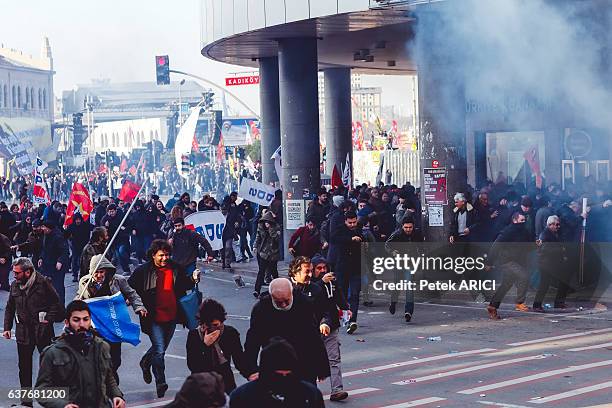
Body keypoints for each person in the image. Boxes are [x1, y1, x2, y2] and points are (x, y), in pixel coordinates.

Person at [128, 239, 201, 397]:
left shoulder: (175, 268)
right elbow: (129, 288)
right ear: (153, 255)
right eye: (161, 255)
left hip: (172, 316)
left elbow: (185, 284)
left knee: (159, 349)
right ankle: (160, 382)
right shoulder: (143, 271)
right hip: (153, 317)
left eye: (167, 255)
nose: (164, 258)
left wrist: (194, 278)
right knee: (160, 350)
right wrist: (134, 303)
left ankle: (146, 361)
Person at [35, 300, 125, 408]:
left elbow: (109, 377)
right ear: (67, 322)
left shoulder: (102, 346)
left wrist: (116, 395)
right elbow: (41, 390)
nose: (81, 324)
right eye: (76, 320)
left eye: (85, 319)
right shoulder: (53, 353)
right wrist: (63, 405)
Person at [244, 278, 330, 384]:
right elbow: (253, 340)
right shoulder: (261, 309)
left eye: (287, 300)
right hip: (273, 362)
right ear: (271, 297)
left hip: (303, 360)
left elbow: (313, 337)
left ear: (291, 293)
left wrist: (322, 367)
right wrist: (250, 369)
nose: (284, 305)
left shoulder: (304, 304)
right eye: (279, 302)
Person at [3, 258, 63, 407]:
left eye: (17, 273)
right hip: (23, 332)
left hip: (42, 331)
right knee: (24, 368)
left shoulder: (43, 283)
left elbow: (56, 303)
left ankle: (50, 401)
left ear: (28, 272)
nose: (14, 276)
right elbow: (10, 307)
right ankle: (26, 402)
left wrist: (47, 320)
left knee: (48, 366)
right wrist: (7, 328)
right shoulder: (15, 285)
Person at [78, 254, 148, 384]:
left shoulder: (118, 280)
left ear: (106, 270)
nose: (99, 275)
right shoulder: (84, 281)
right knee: (98, 356)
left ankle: (110, 375)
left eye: (101, 271)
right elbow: (80, 299)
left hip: (114, 325)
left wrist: (139, 307)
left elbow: (132, 294)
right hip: (96, 326)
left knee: (115, 359)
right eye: (96, 272)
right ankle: (110, 384)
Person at [230, 337, 325, 408]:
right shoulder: (243, 397)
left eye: (288, 375)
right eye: (278, 375)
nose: (284, 379)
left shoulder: (310, 394)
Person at [186, 298, 248, 393]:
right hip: (201, 383)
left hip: (225, 381)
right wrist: (205, 346)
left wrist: (250, 373)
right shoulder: (194, 336)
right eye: (211, 325)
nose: (216, 328)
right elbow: (193, 365)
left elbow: (239, 359)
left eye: (218, 324)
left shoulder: (230, 333)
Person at [310, 255, 350, 402]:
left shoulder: (331, 281)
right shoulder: (311, 284)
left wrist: (346, 308)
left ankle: (337, 390)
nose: (322, 271)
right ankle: (312, 391)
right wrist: (321, 282)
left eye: (324, 268)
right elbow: (312, 298)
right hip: (313, 327)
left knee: (334, 358)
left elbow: (338, 296)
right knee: (312, 359)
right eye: (318, 268)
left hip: (331, 325)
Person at [486, 212, 534, 319]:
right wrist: (489, 262)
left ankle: (492, 306)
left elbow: (528, 246)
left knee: (506, 285)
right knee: (524, 276)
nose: (523, 222)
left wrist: (536, 244)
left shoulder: (524, 231)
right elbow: (496, 246)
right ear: (515, 220)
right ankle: (519, 303)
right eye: (521, 220)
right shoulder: (508, 231)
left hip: (517, 261)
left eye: (524, 220)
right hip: (507, 261)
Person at [385, 216, 424, 322]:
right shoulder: (397, 234)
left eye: (410, 227)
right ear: (402, 226)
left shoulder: (417, 234)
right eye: (406, 227)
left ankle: (408, 311)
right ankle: (393, 302)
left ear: (413, 226)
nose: (408, 230)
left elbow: (422, 248)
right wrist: (393, 252)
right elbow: (387, 245)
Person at [330, 211, 363, 334]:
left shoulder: (359, 229)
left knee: (354, 294)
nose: (352, 225)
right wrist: (350, 239)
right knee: (342, 294)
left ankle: (352, 320)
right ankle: (343, 317)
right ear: (345, 221)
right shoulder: (339, 229)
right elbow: (334, 239)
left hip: (356, 267)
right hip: (342, 267)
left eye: (354, 222)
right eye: (350, 223)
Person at [533, 215, 571, 311]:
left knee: (563, 281)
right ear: (550, 225)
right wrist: (560, 249)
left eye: (559, 224)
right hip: (546, 264)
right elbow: (545, 249)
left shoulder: (555, 233)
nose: (558, 227)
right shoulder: (545, 234)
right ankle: (537, 305)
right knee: (544, 284)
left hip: (554, 263)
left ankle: (558, 302)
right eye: (556, 225)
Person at [39, 219, 70, 304]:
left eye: (43, 227)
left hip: (57, 266)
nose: (42, 229)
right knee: (48, 287)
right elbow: (44, 249)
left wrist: (60, 261)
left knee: (58, 287)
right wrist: (41, 258)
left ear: (49, 228)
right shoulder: (46, 235)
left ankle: (61, 307)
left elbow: (65, 251)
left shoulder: (58, 237)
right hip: (47, 265)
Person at [253, 210, 281, 297]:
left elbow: (276, 238)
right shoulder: (260, 226)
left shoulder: (276, 227)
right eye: (265, 222)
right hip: (263, 252)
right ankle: (257, 290)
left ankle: (279, 288)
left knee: (274, 271)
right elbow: (258, 236)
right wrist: (255, 246)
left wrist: (271, 229)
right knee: (261, 271)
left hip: (273, 253)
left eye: (267, 222)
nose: (266, 224)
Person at [102, 203, 132, 273]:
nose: (111, 213)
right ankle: (126, 269)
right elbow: (102, 228)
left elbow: (129, 225)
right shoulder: (105, 218)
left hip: (122, 239)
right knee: (118, 256)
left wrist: (125, 228)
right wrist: (106, 226)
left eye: (112, 211)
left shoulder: (122, 216)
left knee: (122, 252)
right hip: (113, 241)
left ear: (115, 211)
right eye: (109, 212)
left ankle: (128, 263)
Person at [65, 212, 93, 282]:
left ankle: (83, 274)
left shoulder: (85, 225)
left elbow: (93, 228)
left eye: (79, 219)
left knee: (83, 261)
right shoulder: (71, 226)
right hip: (75, 245)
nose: (78, 221)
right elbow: (65, 235)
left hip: (84, 245)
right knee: (75, 260)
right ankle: (75, 275)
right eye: (76, 220)